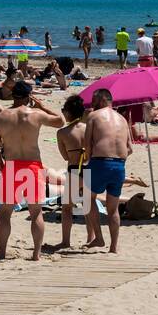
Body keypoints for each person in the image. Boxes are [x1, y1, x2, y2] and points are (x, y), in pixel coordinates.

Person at [0, 81, 64, 260]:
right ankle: (36, 253)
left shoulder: (1, 117)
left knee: (5, 212)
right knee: (35, 211)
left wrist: (0, 165)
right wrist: (42, 106)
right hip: (32, 166)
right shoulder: (36, 114)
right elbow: (61, 121)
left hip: (12, 166)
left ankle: (2, 252)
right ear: (29, 96)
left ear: (12, 95)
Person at [83, 88, 131, 253]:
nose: (92, 104)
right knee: (113, 209)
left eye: (94, 100)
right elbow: (130, 148)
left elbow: (86, 144)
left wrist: (88, 161)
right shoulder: (123, 119)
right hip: (119, 166)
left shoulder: (93, 116)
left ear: (102, 99)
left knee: (88, 201)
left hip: (99, 163)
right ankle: (114, 247)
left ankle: (99, 237)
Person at [52, 94, 99, 250]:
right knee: (88, 204)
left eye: (63, 110)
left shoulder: (62, 133)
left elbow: (65, 156)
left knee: (67, 207)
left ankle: (66, 241)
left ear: (68, 113)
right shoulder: (89, 129)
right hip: (90, 168)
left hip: (74, 169)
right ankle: (90, 238)